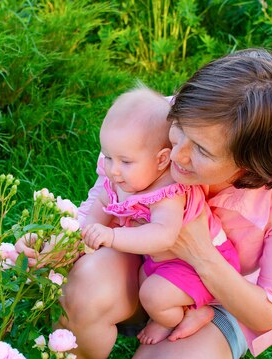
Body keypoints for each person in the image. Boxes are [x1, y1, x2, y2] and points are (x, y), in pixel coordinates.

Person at [31, 48, 272, 359]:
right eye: (179, 133)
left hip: (225, 293)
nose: (176, 155)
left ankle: (185, 330)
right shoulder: (165, 118)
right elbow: (107, 192)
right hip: (141, 257)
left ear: (249, 162)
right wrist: (61, 247)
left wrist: (201, 254)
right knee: (86, 285)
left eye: (202, 150)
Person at [81, 87, 241, 345]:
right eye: (108, 157)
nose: (113, 170)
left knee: (153, 295)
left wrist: (111, 235)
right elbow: (101, 204)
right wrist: (85, 232)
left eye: (125, 161)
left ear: (161, 159)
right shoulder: (126, 180)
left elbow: (163, 236)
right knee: (144, 283)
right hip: (163, 262)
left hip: (197, 264)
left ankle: (191, 314)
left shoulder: (169, 193)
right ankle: (171, 311)